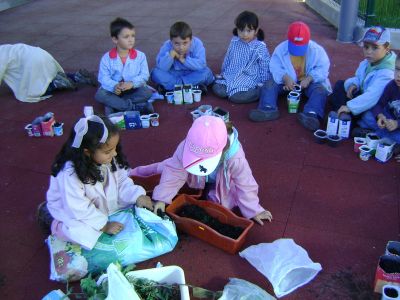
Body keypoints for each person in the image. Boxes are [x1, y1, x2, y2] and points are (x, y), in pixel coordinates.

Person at [38, 114, 153, 250]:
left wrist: (137, 195)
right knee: (80, 233)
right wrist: (103, 225)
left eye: (115, 148)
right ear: (87, 152)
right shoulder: (70, 173)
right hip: (73, 207)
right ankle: (50, 220)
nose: (115, 154)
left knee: (131, 208)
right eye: (108, 151)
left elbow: (122, 181)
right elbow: (78, 207)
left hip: (97, 205)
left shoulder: (109, 158)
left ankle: (100, 218)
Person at [130, 115, 273, 225]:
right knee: (162, 168)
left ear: (223, 150)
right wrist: (161, 199)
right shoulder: (186, 146)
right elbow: (174, 171)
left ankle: (212, 194)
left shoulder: (235, 157)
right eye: (196, 157)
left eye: (205, 159)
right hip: (193, 175)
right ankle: (130, 172)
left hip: (221, 181)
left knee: (224, 206)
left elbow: (245, 183)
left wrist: (254, 210)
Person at [249, 21, 331, 132]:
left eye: (300, 48)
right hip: (286, 82)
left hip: (309, 83)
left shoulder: (317, 51)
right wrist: (285, 77)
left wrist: (310, 78)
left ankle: (312, 114)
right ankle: (267, 108)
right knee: (269, 84)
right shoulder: (281, 49)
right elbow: (275, 66)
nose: (297, 52)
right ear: (288, 40)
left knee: (320, 91)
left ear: (308, 41)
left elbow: (323, 68)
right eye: (294, 47)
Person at [329, 26, 396, 137]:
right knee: (340, 85)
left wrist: (349, 107)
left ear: (387, 48)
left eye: (375, 48)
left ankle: (349, 123)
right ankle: (345, 118)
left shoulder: (387, 73)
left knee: (369, 116)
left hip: (377, 105)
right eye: (366, 47)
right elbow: (359, 77)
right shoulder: (367, 62)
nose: (369, 52)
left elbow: (372, 97)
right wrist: (354, 84)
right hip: (363, 98)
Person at [95, 18, 153, 116]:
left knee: (147, 93)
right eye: (126, 37)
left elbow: (144, 75)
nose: (131, 40)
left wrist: (132, 83)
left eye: (133, 36)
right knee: (100, 95)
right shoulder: (106, 58)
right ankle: (133, 107)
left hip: (132, 89)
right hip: (115, 91)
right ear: (115, 39)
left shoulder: (140, 56)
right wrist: (114, 86)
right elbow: (103, 77)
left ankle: (115, 106)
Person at [0, 43, 97, 103]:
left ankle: (55, 85)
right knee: (50, 74)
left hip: (33, 63)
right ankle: (76, 76)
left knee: (32, 92)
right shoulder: (4, 48)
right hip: (41, 53)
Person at [212, 11, 270, 104]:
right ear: (237, 29)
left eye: (248, 31)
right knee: (220, 90)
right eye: (241, 30)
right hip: (232, 73)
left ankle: (256, 92)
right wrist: (223, 73)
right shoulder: (235, 41)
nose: (245, 34)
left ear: (256, 30)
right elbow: (228, 57)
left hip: (249, 76)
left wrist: (263, 84)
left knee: (237, 97)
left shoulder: (260, 46)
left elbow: (264, 65)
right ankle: (229, 89)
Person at [355, 55, 400, 159]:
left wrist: (397, 124)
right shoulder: (392, 85)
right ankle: (385, 140)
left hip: (397, 127)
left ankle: (375, 135)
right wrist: (380, 117)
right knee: (368, 115)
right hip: (388, 121)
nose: (399, 75)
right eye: (397, 69)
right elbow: (379, 105)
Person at [151, 21, 214, 94]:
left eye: (185, 43)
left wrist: (183, 60)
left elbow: (201, 65)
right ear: (171, 41)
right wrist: (170, 56)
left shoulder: (197, 44)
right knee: (155, 73)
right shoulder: (167, 45)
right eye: (177, 43)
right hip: (174, 74)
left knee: (206, 72)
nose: (181, 47)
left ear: (191, 40)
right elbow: (161, 68)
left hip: (191, 73)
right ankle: (191, 87)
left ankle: (172, 87)